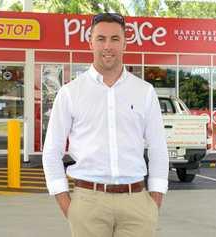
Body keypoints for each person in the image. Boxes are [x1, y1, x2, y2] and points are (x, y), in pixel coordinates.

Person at [42, 13, 169, 237]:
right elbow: (52, 150)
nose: (108, 46)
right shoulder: (71, 93)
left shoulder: (144, 92)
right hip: (88, 202)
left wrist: (155, 200)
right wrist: (67, 204)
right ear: (90, 42)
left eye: (114, 39)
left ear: (125, 43)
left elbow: (159, 148)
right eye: (101, 39)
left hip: (137, 203)